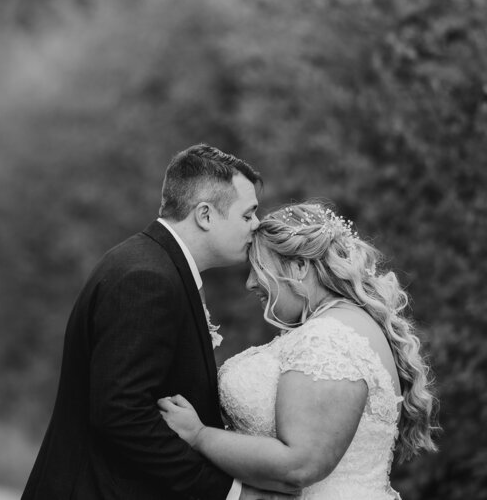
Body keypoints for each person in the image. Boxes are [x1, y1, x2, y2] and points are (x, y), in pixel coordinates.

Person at [22, 144, 293, 500]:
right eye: (248, 215)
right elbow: (122, 414)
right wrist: (229, 492)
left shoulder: (151, 263)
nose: (257, 226)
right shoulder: (147, 279)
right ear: (205, 215)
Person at [158, 202, 439, 499]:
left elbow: (298, 465)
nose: (250, 282)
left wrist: (199, 436)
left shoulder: (328, 338)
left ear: (299, 267)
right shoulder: (342, 325)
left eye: (259, 266)